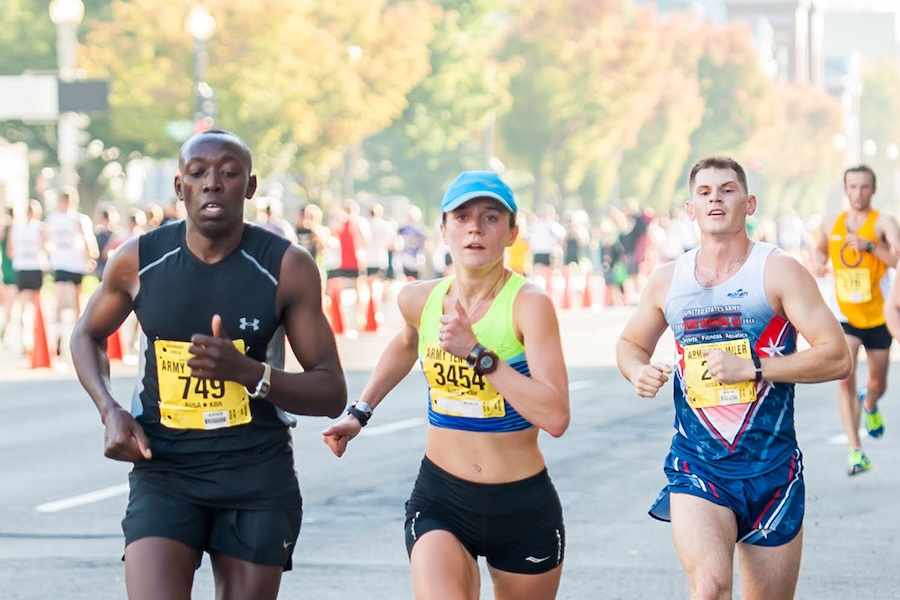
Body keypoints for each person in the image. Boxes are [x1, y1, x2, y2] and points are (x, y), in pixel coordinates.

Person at [69, 130, 347, 600]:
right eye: (198, 174)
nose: (212, 184)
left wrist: (250, 374)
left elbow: (331, 391)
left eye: (228, 173)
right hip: (166, 468)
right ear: (180, 187)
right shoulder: (138, 260)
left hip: (255, 472)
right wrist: (109, 410)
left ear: (250, 186)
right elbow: (86, 335)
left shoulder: (286, 266)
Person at [323, 170, 570, 600]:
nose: (474, 227)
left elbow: (555, 416)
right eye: (462, 216)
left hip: (521, 505)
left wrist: (477, 353)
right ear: (444, 228)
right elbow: (404, 346)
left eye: (491, 217)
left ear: (512, 233)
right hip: (442, 498)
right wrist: (360, 412)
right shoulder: (419, 299)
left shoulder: (529, 306)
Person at [616, 156, 852, 600]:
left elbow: (837, 357)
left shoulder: (778, 271)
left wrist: (756, 368)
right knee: (708, 588)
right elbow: (630, 344)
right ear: (690, 209)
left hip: (771, 469)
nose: (715, 199)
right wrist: (638, 371)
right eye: (704, 193)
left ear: (749, 203)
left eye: (727, 190)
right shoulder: (670, 280)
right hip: (698, 464)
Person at [815, 164, 900, 475]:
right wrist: (819, 259)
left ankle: (871, 402)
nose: (859, 192)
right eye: (853, 187)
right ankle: (855, 451)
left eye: (865, 187)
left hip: (879, 315)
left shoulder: (884, 222)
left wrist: (870, 246)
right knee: (845, 377)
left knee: (878, 382)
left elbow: (897, 257)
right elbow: (820, 248)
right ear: (845, 190)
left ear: (873, 190)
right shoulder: (830, 223)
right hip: (845, 315)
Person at [44, 185, 99, 356]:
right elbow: (45, 238)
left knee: (75, 300)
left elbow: (88, 238)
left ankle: (76, 335)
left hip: (75, 263)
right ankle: (60, 336)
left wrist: (90, 256)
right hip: (62, 262)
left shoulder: (78, 219)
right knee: (62, 299)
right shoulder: (53, 219)